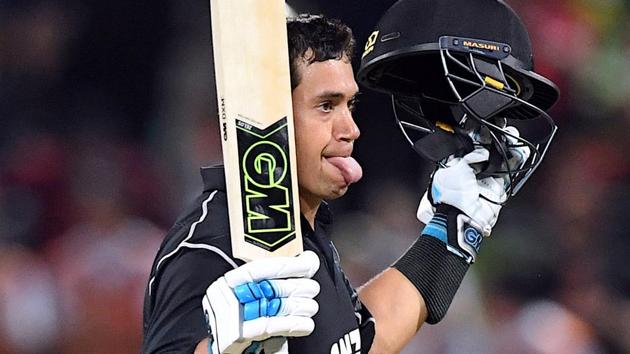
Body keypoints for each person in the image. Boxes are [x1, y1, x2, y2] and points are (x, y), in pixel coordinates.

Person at [142, 0, 559, 352]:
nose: (350, 129)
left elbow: (359, 341)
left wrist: (453, 226)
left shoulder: (299, 236)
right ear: (269, 116)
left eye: (350, 106)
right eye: (326, 106)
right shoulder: (211, 247)